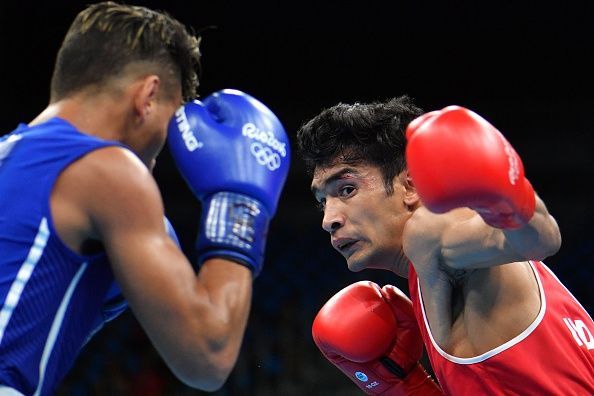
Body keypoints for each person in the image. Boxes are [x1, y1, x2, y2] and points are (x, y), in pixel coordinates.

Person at [0, 2, 290, 395]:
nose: (160, 152)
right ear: (148, 96)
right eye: (169, 125)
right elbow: (208, 355)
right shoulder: (106, 168)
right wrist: (238, 201)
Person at [297, 96, 594, 395]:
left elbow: (540, 238)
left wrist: (506, 194)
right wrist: (406, 386)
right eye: (323, 201)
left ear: (410, 186)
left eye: (346, 190)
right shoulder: (434, 273)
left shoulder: (431, 234)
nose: (328, 219)